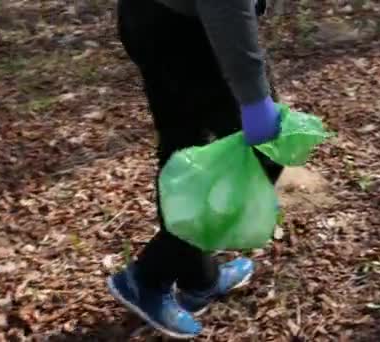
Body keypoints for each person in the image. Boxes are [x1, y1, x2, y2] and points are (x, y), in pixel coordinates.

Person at [108, 0, 283, 339]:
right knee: (267, 157)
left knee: (184, 146)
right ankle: (149, 276)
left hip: (150, 16)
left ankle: (197, 276)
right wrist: (255, 99)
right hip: (190, 29)